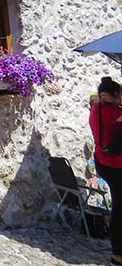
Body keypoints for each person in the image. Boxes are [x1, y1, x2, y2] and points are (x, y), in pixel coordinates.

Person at [90, 76, 122, 265]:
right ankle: (118, 254)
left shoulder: (96, 108)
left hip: (103, 163)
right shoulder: (114, 113)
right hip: (118, 166)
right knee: (120, 209)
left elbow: (94, 99)